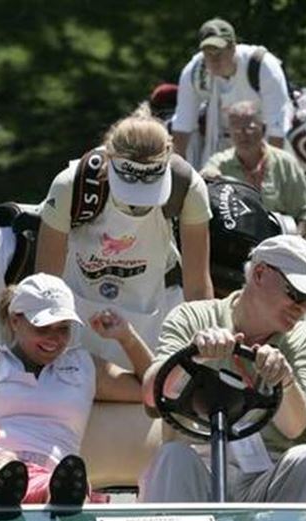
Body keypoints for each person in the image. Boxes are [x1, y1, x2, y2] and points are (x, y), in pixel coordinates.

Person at [0, 273, 151, 520]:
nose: (54, 339)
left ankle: (54, 503)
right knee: (4, 462)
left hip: (48, 472)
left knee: (53, 484)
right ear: (14, 321)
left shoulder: (84, 366)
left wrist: (127, 337)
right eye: (42, 327)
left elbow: (153, 389)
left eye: (63, 329)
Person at [139, 234, 306, 503]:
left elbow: (296, 429)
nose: (300, 308)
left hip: (265, 477)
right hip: (197, 468)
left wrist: (284, 379)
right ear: (260, 274)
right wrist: (194, 357)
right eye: (295, 294)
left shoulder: (305, 339)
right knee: (173, 456)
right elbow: (150, 394)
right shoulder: (192, 317)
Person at [35, 104, 213, 366]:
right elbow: (46, 279)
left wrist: (205, 340)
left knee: (153, 388)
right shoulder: (72, 184)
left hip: (157, 304)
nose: (138, 204)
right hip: (81, 302)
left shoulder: (187, 185)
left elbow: (197, 285)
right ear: (109, 159)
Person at [172, 18, 292, 167]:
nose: (213, 59)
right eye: (208, 53)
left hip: (262, 140)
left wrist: (269, 172)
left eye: (218, 52)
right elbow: (182, 124)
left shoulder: (262, 66)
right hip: (220, 143)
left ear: (233, 48)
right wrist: (177, 172)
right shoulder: (195, 73)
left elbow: (277, 126)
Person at [202, 100, 306, 237]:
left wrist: (296, 240)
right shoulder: (221, 162)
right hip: (236, 241)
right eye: (236, 128)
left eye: (250, 128)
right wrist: (209, 176)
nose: (243, 134)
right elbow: (207, 174)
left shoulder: (285, 163)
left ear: (263, 129)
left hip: (279, 239)